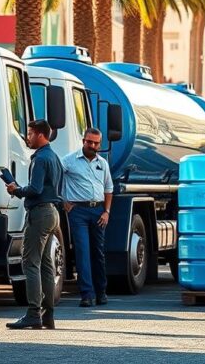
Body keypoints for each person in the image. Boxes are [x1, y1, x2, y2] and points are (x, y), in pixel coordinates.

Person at [6, 120, 63, 330]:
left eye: (30, 133)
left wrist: (16, 190)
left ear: (40, 135)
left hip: (39, 214)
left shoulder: (40, 158)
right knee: (47, 265)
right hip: (53, 213)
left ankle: (33, 314)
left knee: (30, 263)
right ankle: (48, 316)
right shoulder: (54, 157)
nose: (27, 137)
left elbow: (36, 189)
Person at [61, 128, 113, 307]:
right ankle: (86, 294)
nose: (92, 146)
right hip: (78, 212)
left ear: (100, 144)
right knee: (82, 252)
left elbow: (108, 188)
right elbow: (55, 179)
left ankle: (101, 292)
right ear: (83, 141)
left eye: (96, 143)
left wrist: (106, 212)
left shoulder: (103, 163)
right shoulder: (69, 160)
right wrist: (63, 201)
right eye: (89, 142)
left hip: (98, 211)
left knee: (98, 253)